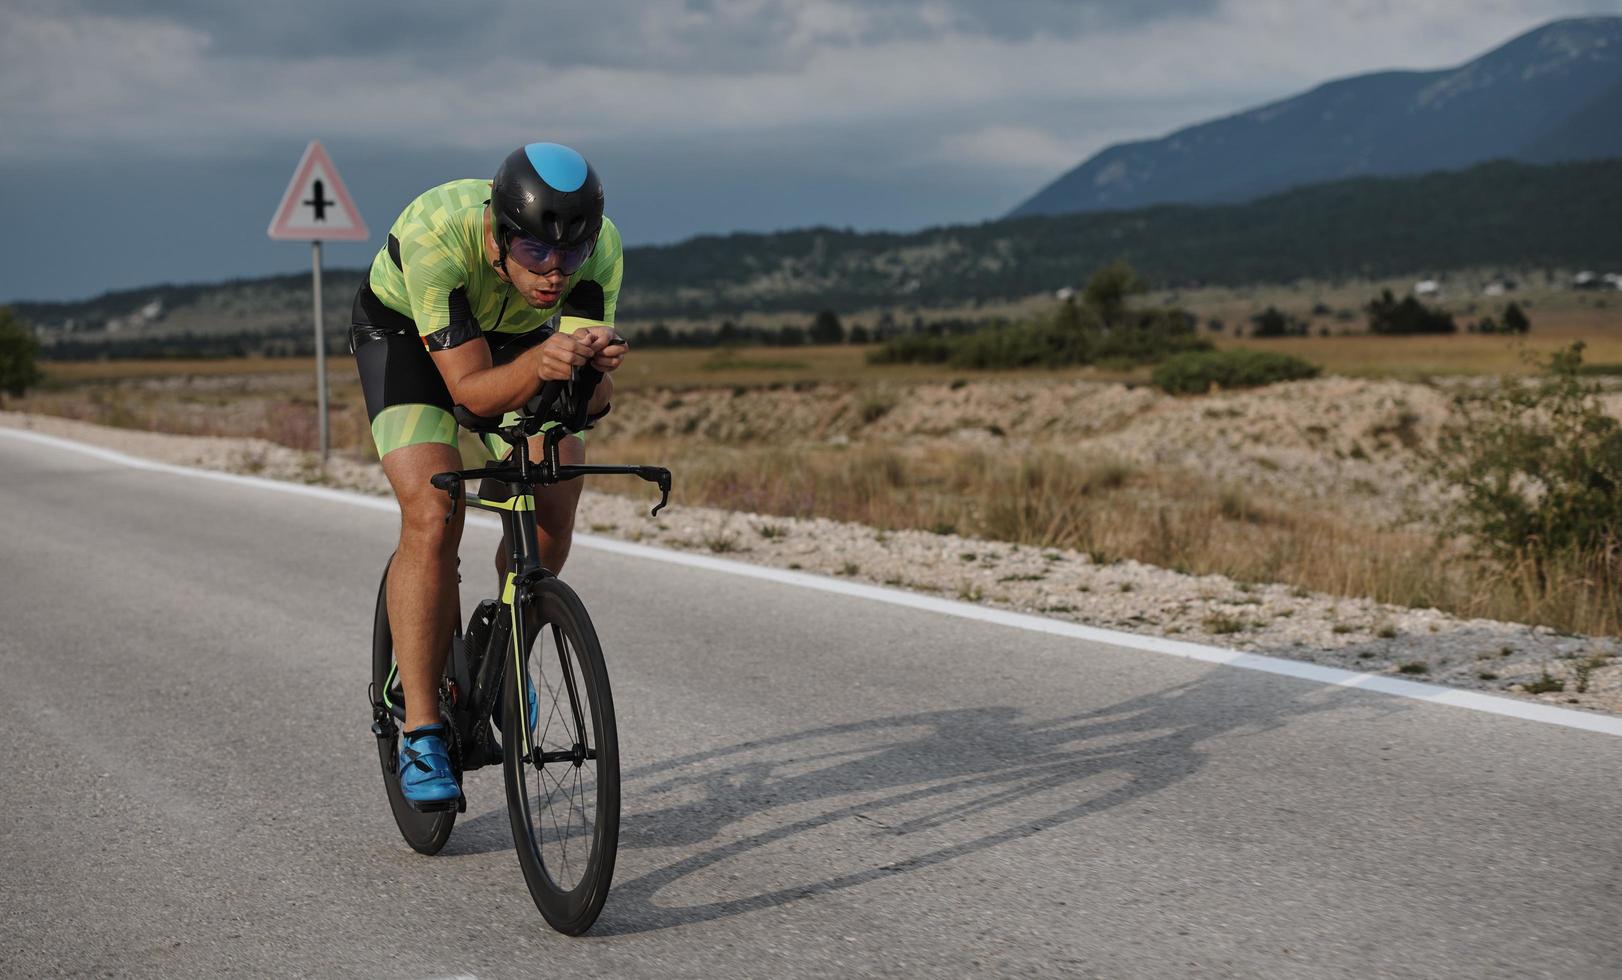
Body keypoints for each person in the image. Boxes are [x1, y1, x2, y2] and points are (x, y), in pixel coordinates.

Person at [349, 142, 629, 809]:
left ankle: (501, 649)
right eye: (535, 252)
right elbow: (472, 394)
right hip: (408, 340)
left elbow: (584, 406)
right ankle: (420, 725)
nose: (554, 273)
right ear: (498, 234)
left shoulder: (602, 248)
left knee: (556, 496)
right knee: (434, 511)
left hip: (521, 342)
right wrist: (543, 367)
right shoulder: (438, 234)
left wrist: (595, 368)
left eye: (569, 255)